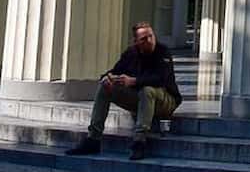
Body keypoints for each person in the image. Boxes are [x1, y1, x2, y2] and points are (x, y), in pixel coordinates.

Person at [64, 22, 181, 160]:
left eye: (151, 36)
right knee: (105, 87)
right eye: (144, 39)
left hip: (166, 101)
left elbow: (160, 79)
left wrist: (133, 81)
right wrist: (107, 78)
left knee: (147, 90)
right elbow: (116, 70)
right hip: (141, 99)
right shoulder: (131, 53)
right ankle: (93, 139)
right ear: (136, 41)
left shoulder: (163, 52)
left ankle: (139, 141)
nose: (149, 41)